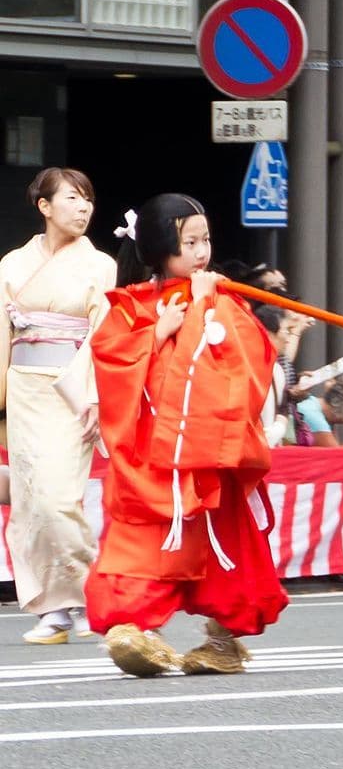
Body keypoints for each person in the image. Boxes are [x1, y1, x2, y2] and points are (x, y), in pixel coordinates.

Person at [85, 193, 286, 677]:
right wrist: (158, 333)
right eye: (189, 242)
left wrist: (200, 310)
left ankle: (223, 640)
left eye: (205, 240)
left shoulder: (222, 300)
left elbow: (250, 361)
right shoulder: (132, 307)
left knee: (221, 540)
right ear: (157, 249)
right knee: (142, 537)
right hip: (154, 455)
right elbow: (111, 360)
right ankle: (132, 626)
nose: (201, 252)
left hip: (209, 450)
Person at [1, 167, 119, 644]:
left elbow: (104, 336)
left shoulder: (101, 265)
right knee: (30, 502)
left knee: (58, 498)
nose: (83, 207)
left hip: (73, 393)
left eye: (87, 199)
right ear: (44, 206)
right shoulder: (11, 264)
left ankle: (90, 591)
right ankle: (56, 610)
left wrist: (95, 396)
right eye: (72, 198)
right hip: (26, 389)